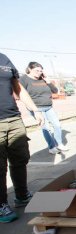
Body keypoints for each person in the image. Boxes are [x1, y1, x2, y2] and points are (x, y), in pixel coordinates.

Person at [0, 53, 44, 223]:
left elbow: (17, 86)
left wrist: (35, 109)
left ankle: (21, 194)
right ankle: (1, 204)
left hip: (13, 117)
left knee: (21, 158)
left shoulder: (4, 59)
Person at [20, 62, 68, 154]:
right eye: (36, 70)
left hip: (48, 107)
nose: (39, 73)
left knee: (57, 125)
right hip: (37, 109)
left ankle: (59, 144)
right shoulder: (24, 79)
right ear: (30, 69)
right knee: (46, 128)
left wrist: (48, 81)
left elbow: (55, 91)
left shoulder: (43, 79)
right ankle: (52, 147)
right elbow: (21, 94)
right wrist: (31, 108)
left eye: (41, 71)